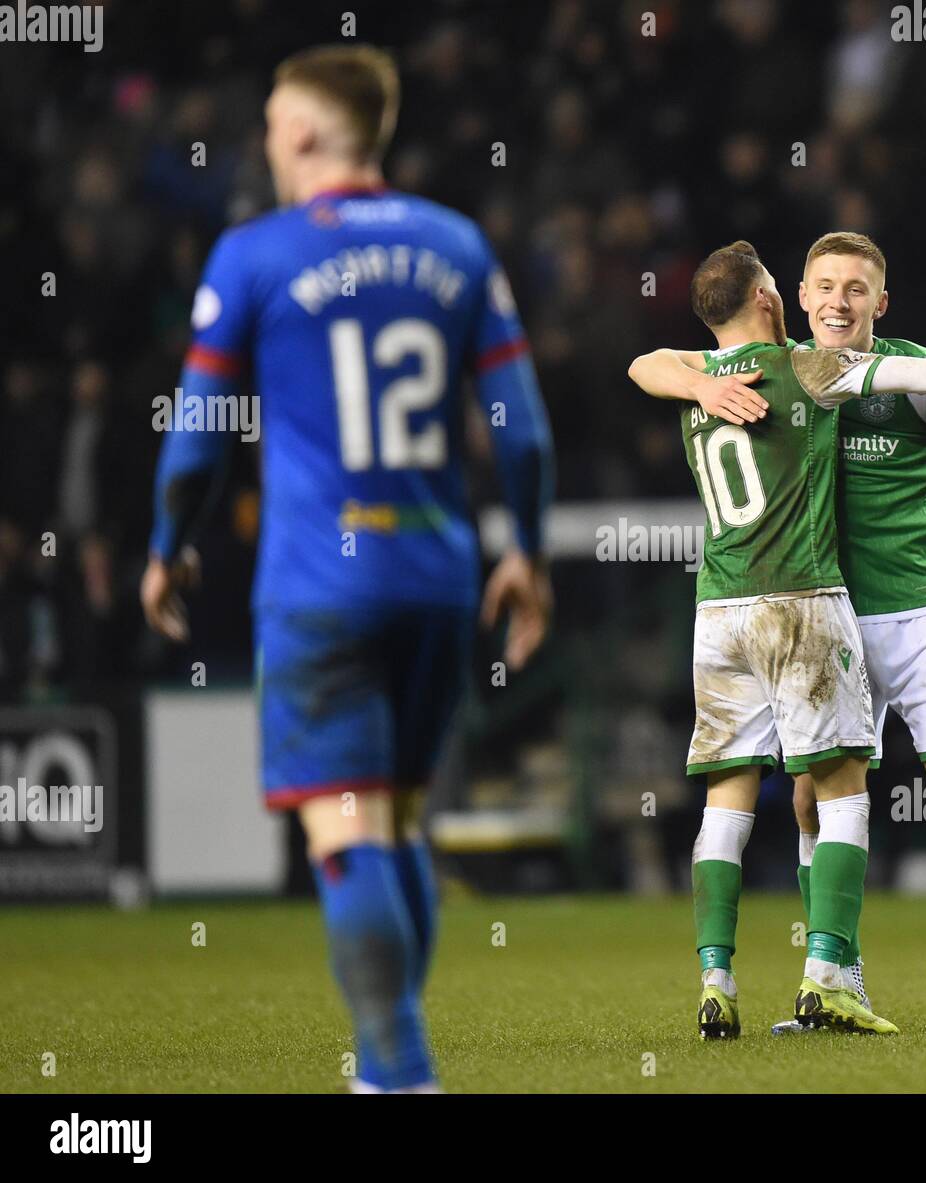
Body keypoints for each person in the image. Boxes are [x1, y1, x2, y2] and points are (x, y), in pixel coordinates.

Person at [141, 45, 554, 1091]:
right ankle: (386, 1068)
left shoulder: (253, 255)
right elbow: (523, 433)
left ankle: (400, 1071)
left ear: (311, 133)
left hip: (320, 583)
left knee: (343, 819)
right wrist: (530, 553)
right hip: (436, 576)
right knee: (402, 812)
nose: (268, 142)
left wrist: (165, 547)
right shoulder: (456, 245)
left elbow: (195, 438)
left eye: (277, 122)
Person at [629, 231, 926, 1030]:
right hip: (826, 622)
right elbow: (652, 363)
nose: (838, 300)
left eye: (856, 288)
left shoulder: (904, 370)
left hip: (919, 614)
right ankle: (836, 978)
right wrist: (702, 388)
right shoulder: (785, 369)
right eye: (824, 285)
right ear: (800, 297)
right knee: (813, 798)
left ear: (878, 304)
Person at [630, 240, 896, 1038]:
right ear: (773, 301)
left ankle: (716, 979)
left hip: (717, 612)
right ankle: (825, 977)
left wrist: (691, 380)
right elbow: (899, 373)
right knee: (844, 783)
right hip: (801, 602)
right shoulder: (806, 369)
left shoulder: (696, 390)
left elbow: (647, 362)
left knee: (726, 794)